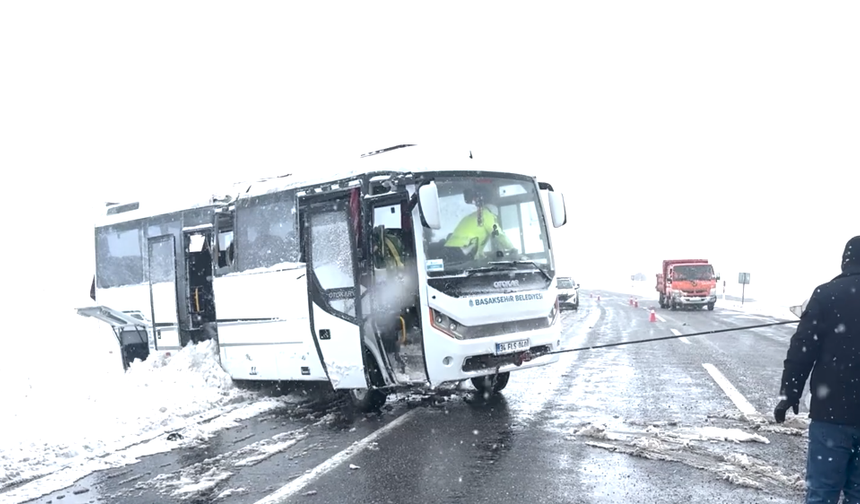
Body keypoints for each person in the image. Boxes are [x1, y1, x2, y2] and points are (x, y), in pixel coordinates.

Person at [775, 235, 860, 503]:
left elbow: (802, 350)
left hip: (832, 415)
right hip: (835, 414)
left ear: (846, 261)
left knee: (822, 492)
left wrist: (790, 393)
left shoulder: (826, 295)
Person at [443, 204, 515, 260]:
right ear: (494, 214)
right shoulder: (487, 215)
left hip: (450, 249)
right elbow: (498, 233)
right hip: (462, 250)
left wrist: (483, 258)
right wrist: (511, 248)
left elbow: (476, 247)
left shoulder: (474, 216)